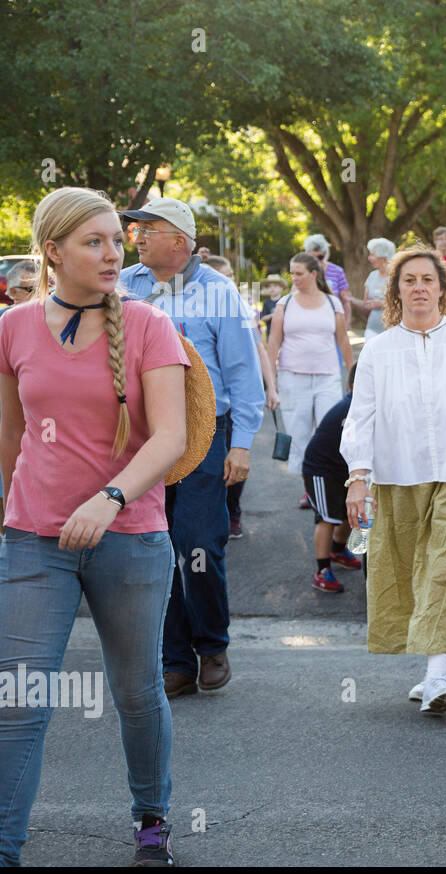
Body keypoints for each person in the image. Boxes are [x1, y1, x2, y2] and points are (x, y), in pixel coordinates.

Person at [0, 186, 189, 865]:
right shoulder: (13, 326)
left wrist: (108, 499)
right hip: (33, 540)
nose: (115, 253)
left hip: (131, 537)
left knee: (137, 691)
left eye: (117, 240)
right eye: (95, 242)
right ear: (53, 252)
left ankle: (150, 817)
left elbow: (169, 438)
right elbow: (11, 433)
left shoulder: (147, 325)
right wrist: (10, 517)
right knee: (19, 701)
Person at [340, 248, 446, 715]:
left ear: (443, 288)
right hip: (398, 478)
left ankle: (436, 677)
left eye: (427, 280)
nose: (418, 288)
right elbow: (361, 419)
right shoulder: (378, 349)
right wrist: (359, 478)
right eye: (408, 280)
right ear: (395, 290)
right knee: (413, 571)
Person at [119, 197, 264, 700]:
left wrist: (241, 445)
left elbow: (245, 376)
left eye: (147, 228)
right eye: (134, 228)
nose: (135, 235)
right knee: (153, 546)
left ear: (179, 240)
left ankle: (212, 644)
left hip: (205, 430)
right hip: (141, 433)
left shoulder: (221, 293)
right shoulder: (124, 285)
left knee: (199, 544)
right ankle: (175, 660)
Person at [205, 257, 279, 538]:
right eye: (222, 276)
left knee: (233, 457)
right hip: (207, 403)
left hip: (234, 399)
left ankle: (233, 511)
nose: (229, 281)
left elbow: (259, 350)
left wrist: (270, 387)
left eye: (231, 275)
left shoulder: (243, 310)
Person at [268, 252, 353, 486]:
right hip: (292, 378)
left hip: (327, 378)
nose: (294, 278)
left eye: (299, 273)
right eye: (292, 273)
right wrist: (270, 380)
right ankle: (310, 488)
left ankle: (326, 481)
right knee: (299, 436)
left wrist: (352, 373)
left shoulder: (332, 302)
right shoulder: (285, 303)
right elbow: (274, 341)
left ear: (314, 274)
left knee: (329, 433)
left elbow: (343, 340)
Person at [303, 365, 362, 592]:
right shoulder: (350, 408)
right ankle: (322, 570)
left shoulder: (364, 406)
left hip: (342, 470)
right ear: (354, 386)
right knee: (327, 518)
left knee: (349, 516)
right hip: (321, 469)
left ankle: (337, 550)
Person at [303, 234, 352, 322]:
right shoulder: (302, 271)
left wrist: (347, 322)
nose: (317, 261)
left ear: (326, 253)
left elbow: (345, 301)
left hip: (331, 319)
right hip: (307, 318)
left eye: (320, 257)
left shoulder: (337, 271)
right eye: (312, 257)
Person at [358, 238, 396, 342]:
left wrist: (381, 304)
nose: (369, 258)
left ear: (383, 256)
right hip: (372, 330)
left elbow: (404, 303)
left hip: (392, 330)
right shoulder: (372, 276)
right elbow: (365, 303)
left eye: (372, 255)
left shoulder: (396, 277)